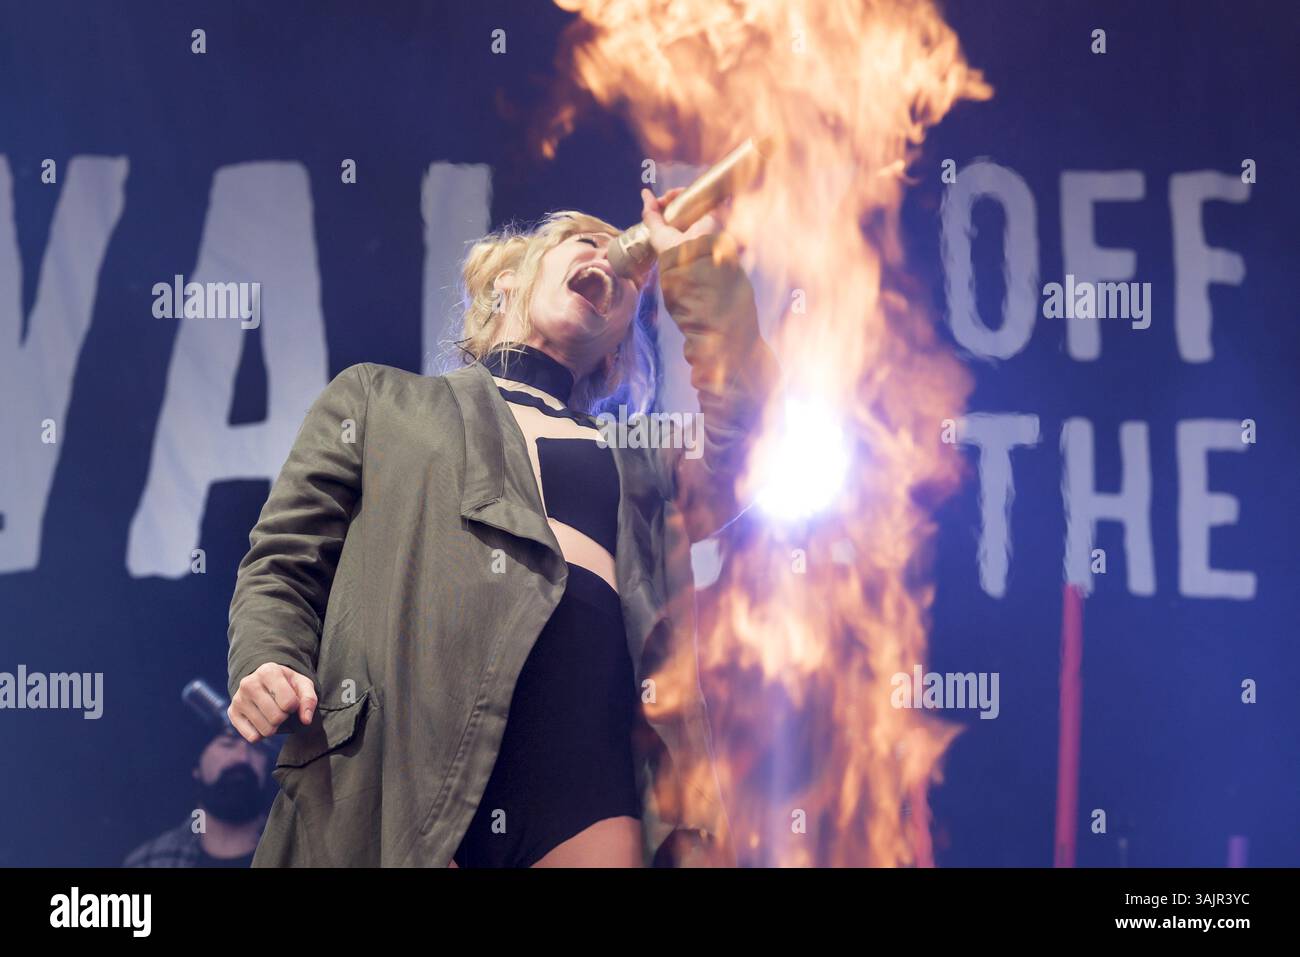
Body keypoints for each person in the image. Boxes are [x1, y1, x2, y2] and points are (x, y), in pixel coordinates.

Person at [226, 186, 780, 867]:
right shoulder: (382, 400)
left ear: (615, 351)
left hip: (590, 772)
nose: (604, 253)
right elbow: (284, 556)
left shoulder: (639, 461)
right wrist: (267, 655)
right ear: (509, 280)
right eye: (579, 240)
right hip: (406, 759)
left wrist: (699, 266)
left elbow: (749, 435)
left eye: (628, 272)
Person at [123, 727, 271, 867]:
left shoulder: (291, 849)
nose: (243, 757)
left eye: (256, 748)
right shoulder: (151, 861)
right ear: (197, 766)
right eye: (228, 744)